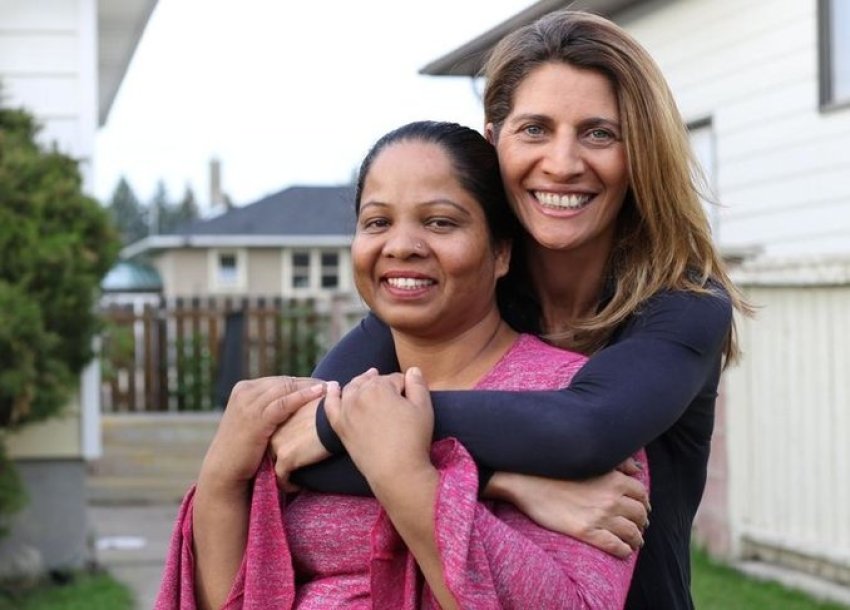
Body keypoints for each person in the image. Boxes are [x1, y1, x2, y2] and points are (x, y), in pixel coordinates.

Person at [275, 9, 752, 610]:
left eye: (599, 133)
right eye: (535, 129)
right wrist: (513, 483)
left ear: (642, 153)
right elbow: (302, 461)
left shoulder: (683, 305)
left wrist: (347, 423)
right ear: (494, 139)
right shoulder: (469, 287)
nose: (562, 162)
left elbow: (584, 432)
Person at [155, 121, 649, 610]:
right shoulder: (325, 408)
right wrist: (222, 477)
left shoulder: (565, 399)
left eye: (440, 222)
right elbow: (239, 598)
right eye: (377, 223)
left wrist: (408, 477)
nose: (401, 245)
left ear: (501, 252)